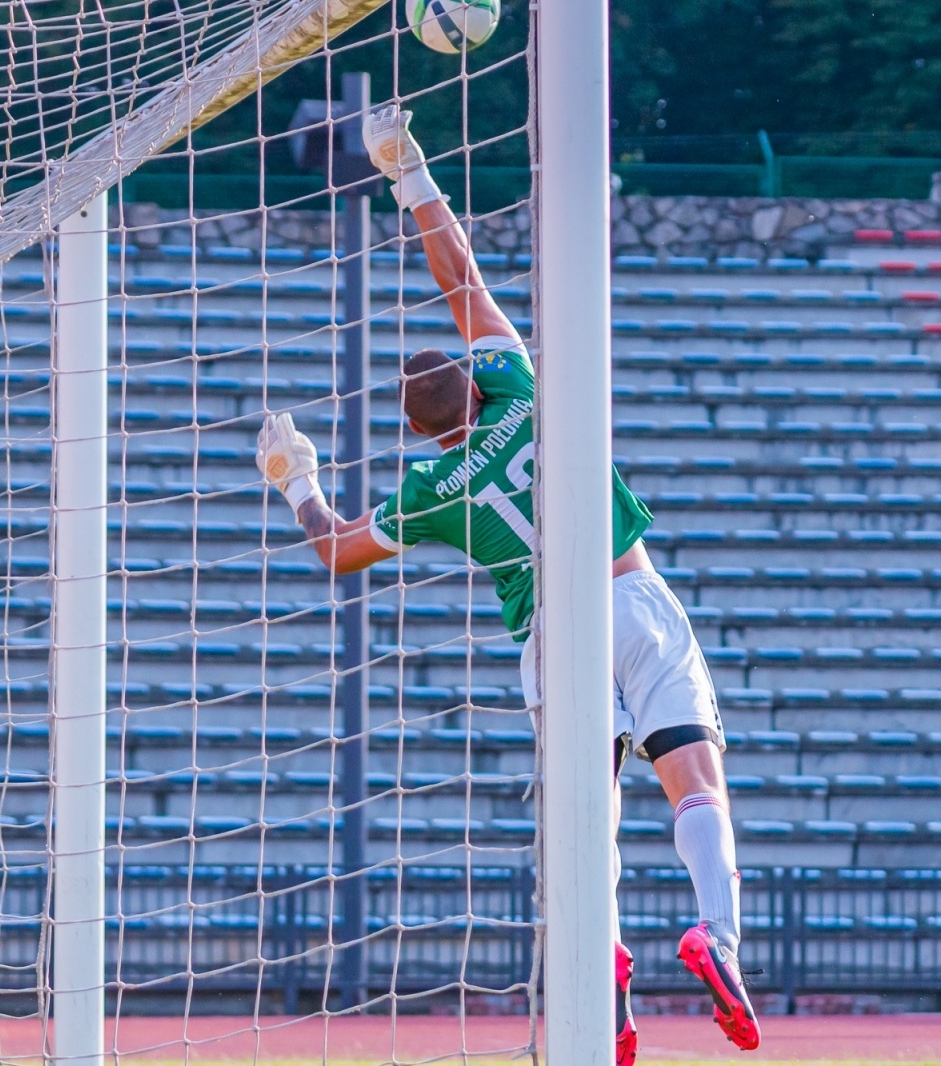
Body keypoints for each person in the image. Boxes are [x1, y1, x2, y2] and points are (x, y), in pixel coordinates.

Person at [253, 104, 760, 1064]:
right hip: (632, 596)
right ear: (477, 385)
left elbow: (335, 552)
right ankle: (716, 937)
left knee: (586, 816)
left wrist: (301, 483)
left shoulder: (429, 486)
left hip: (549, 638)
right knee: (695, 780)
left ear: (421, 431)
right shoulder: (525, 395)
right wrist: (410, 172)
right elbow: (464, 280)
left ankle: (600, 966)